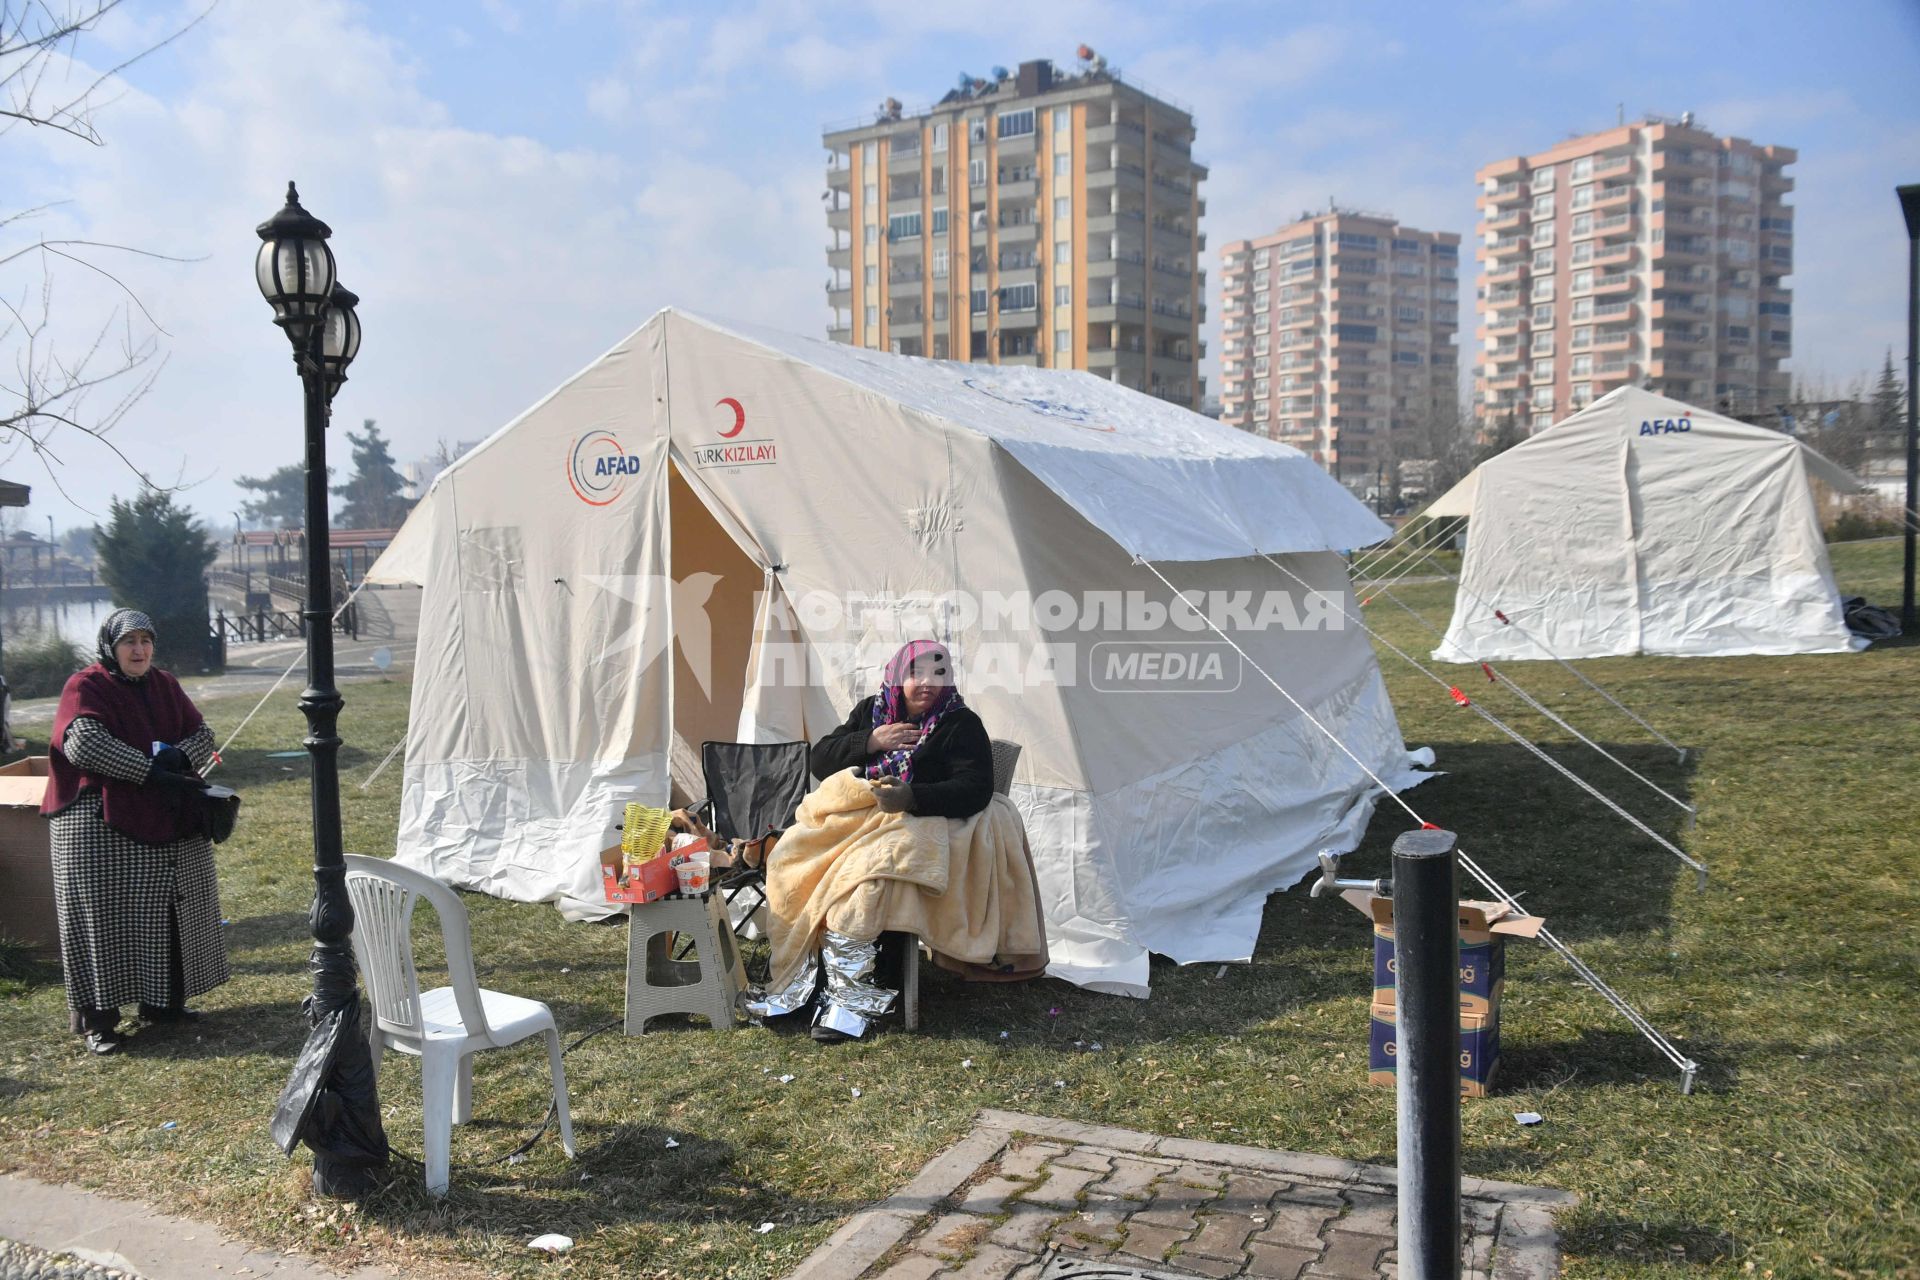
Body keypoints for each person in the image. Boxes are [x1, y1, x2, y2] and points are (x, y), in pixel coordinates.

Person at [747, 640, 1046, 1042]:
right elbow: (820, 759)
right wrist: (871, 742)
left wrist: (912, 796)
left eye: (938, 674)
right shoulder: (872, 711)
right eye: (916, 673)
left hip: (918, 821)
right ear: (896, 675)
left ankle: (852, 1000)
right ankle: (806, 978)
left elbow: (975, 787)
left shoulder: (959, 722)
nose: (927, 683)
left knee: (865, 878)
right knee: (789, 855)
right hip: (858, 818)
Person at [42, 609, 228, 1055]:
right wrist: (148, 770)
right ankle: (99, 1022)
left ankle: (162, 1003)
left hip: (158, 809)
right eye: (130, 642)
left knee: (168, 909)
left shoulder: (164, 684)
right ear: (111, 646)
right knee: (103, 917)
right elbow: (83, 743)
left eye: (146, 641)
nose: (139, 650)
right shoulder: (86, 685)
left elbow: (202, 733)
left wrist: (176, 759)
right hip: (97, 820)